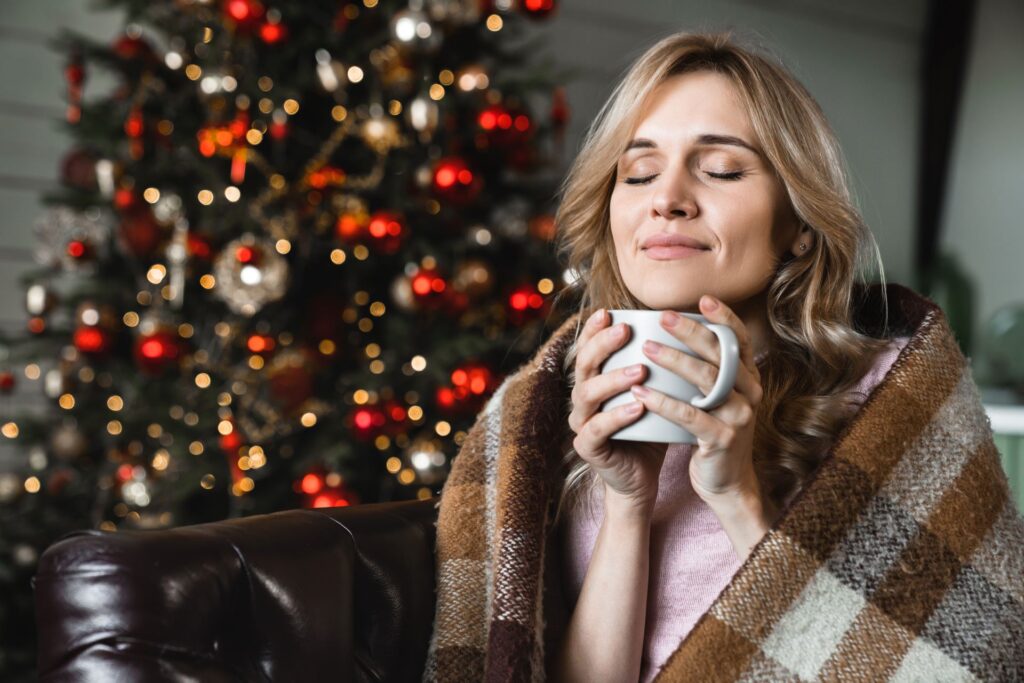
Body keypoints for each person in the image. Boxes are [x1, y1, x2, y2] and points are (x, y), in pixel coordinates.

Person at [423, 30, 1024, 683]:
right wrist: (628, 503)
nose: (667, 198)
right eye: (640, 171)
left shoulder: (891, 397)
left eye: (722, 170)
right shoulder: (553, 414)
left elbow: (941, 665)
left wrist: (738, 498)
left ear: (797, 224)